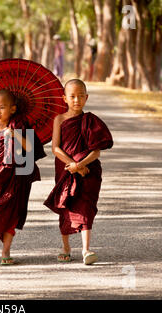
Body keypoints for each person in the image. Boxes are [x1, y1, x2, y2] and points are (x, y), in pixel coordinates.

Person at [43, 79, 113, 265]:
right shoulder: (59, 119)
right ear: (64, 98)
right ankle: (66, 247)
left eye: (81, 96)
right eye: (72, 96)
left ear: (86, 97)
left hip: (89, 169)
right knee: (66, 205)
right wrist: (73, 165)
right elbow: (55, 148)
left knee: (86, 207)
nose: (77, 100)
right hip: (65, 168)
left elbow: (96, 151)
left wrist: (81, 165)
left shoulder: (91, 121)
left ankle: (86, 249)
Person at [0, 89, 46, 265]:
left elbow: (29, 147)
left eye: (2, 107)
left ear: (13, 109)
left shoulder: (20, 124)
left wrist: (14, 133)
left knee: (12, 213)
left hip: (16, 175)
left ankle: (6, 251)